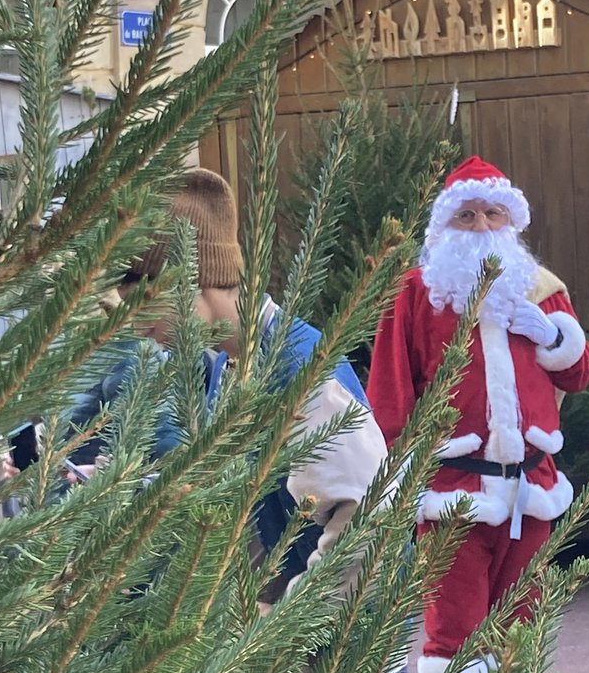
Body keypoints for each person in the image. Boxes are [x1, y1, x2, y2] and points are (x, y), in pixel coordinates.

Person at [66, 168, 389, 613]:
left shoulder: (300, 371)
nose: (142, 331)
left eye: (145, 310)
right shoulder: (229, 362)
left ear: (187, 284)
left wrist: (283, 630)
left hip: (336, 646)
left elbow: (369, 514)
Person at [367, 154, 589, 673]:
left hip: (531, 491)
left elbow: (581, 372)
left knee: (515, 628)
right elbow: (389, 392)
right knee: (454, 629)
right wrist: (397, 480)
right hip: (451, 490)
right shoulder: (417, 293)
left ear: (511, 222)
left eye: (492, 213)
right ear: (445, 226)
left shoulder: (542, 289)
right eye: (466, 214)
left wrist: (548, 333)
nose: (480, 224)